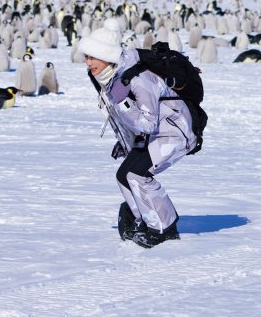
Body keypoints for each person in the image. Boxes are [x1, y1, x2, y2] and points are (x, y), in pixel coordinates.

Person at [79, 21, 197, 248]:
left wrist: (123, 102)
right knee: (124, 175)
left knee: (136, 174)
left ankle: (164, 228)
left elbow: (148, 123)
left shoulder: (139, 79)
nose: (88, 62)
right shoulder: (109, 78)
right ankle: (143, 220)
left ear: (107, 56)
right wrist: (125, 143)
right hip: (155, 134)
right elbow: (123, 119)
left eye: (93, 57)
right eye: (86, 57)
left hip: (175, 131)